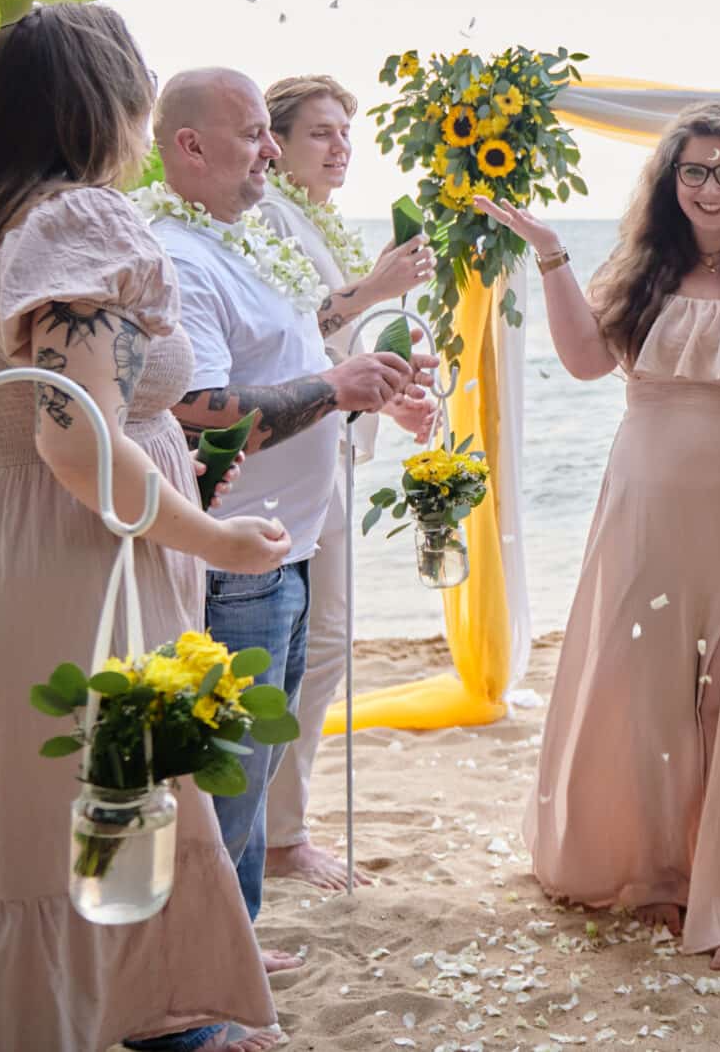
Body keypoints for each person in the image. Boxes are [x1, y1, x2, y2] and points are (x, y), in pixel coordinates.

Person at [0, 4, 290, 1052]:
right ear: (103, 105)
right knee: (98, 791)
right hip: (75, 557)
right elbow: (77, 441)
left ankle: (60, 1014)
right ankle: (128, 1021)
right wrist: (216, 541)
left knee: (18, 815)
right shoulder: (82, 224)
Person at [475, 103, 720, 971]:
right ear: (670, 181)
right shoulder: (643, 267)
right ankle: (659, 874)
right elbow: (584, 360)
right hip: (645, 501)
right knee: (647, 688)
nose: (710, 187)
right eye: (694, 171)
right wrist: (550, 253)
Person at [149, 69, 437, 940]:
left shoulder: (243, 239)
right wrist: (339, 382)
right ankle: (213, 943)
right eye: (258, 135)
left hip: (286, 535)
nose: (273, 152)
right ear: (190, 147)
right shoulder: (184, 252)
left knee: (257, 749)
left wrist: (369, 388)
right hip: (238, 543)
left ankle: (231, 934)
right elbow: (199, 407)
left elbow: (293, 355)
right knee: (230, 762)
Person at [250, 72, 438, 889]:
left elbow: (328, 351)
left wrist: (389, 398)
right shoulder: (264, 217)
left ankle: (283, 826)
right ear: (277, 143)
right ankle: (276, 833)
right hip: (280, 462)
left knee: (326, 643)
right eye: (321, 132)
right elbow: (290, 333)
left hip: (328, 449)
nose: (340, 147)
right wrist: (377, 288)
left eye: (345, 133)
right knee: (294, 645)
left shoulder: (313, 221)